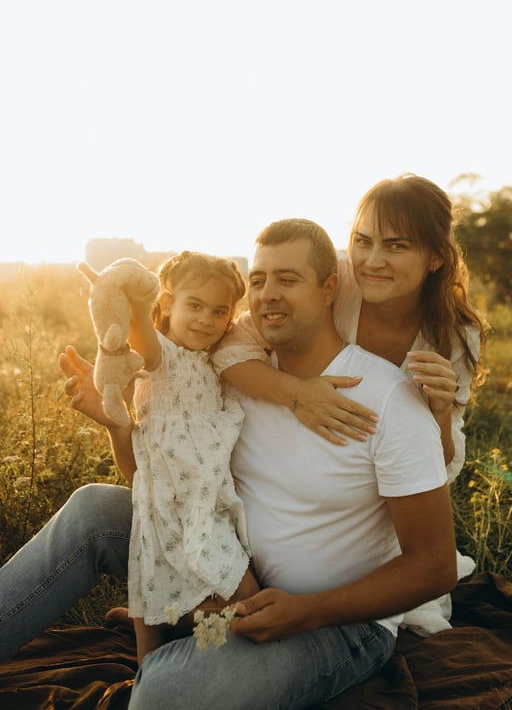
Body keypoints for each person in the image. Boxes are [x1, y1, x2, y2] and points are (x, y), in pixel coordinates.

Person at [0, 217, 457, 708]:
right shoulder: (237, 375)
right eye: (258, 280)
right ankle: (185, 623)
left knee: (166, 693)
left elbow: (434, 567)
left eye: (287, 278)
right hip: (220, 561)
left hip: (337, 624)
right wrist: (117, 425)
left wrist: (307, 611)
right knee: (94, 508)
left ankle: (182, 640)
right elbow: (161, 484)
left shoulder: (390, 399)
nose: (267, 294)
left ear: (329, 289)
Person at [214, 174, 488, 489]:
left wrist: (440, 413)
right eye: (363, 241)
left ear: (435, 257)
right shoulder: (337, 283)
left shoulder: (455, 335)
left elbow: (438, 463)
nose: (372, 262)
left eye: (395, 246)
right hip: (309, 471)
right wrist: (297, 394)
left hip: (384, 489)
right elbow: (229, 348)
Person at [84, 251, 259, 663]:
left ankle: (159, 624)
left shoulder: (212, 363)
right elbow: (143, 336)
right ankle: (147, 666)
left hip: (203, 499)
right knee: (237, 592)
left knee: (163, 575)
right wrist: (140, 309)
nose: (205, 320)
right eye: (194, 306)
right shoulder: (162, 358)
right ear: (167, 305)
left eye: (219, 311)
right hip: (169, 499)